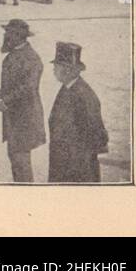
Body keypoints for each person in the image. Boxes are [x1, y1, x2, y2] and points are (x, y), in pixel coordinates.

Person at [0, 19, 46, 183]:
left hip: (25, 116)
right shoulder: (13, 55)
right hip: (14, 116)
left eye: (8, 33)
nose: (5, 36)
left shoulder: (31, 58)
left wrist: (5, 100)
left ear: (17, 36)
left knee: (21, 159)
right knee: (15, 156)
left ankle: (26, 195)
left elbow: (28, 88)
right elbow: (8, 84)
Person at [47, 42, 108, 183]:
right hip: (63, 164)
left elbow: (98, 135)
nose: (54, 70)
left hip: (78, 169)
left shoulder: (84, 94)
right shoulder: (67, 88)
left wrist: (78, 155)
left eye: (56, 66)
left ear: (67, 70)